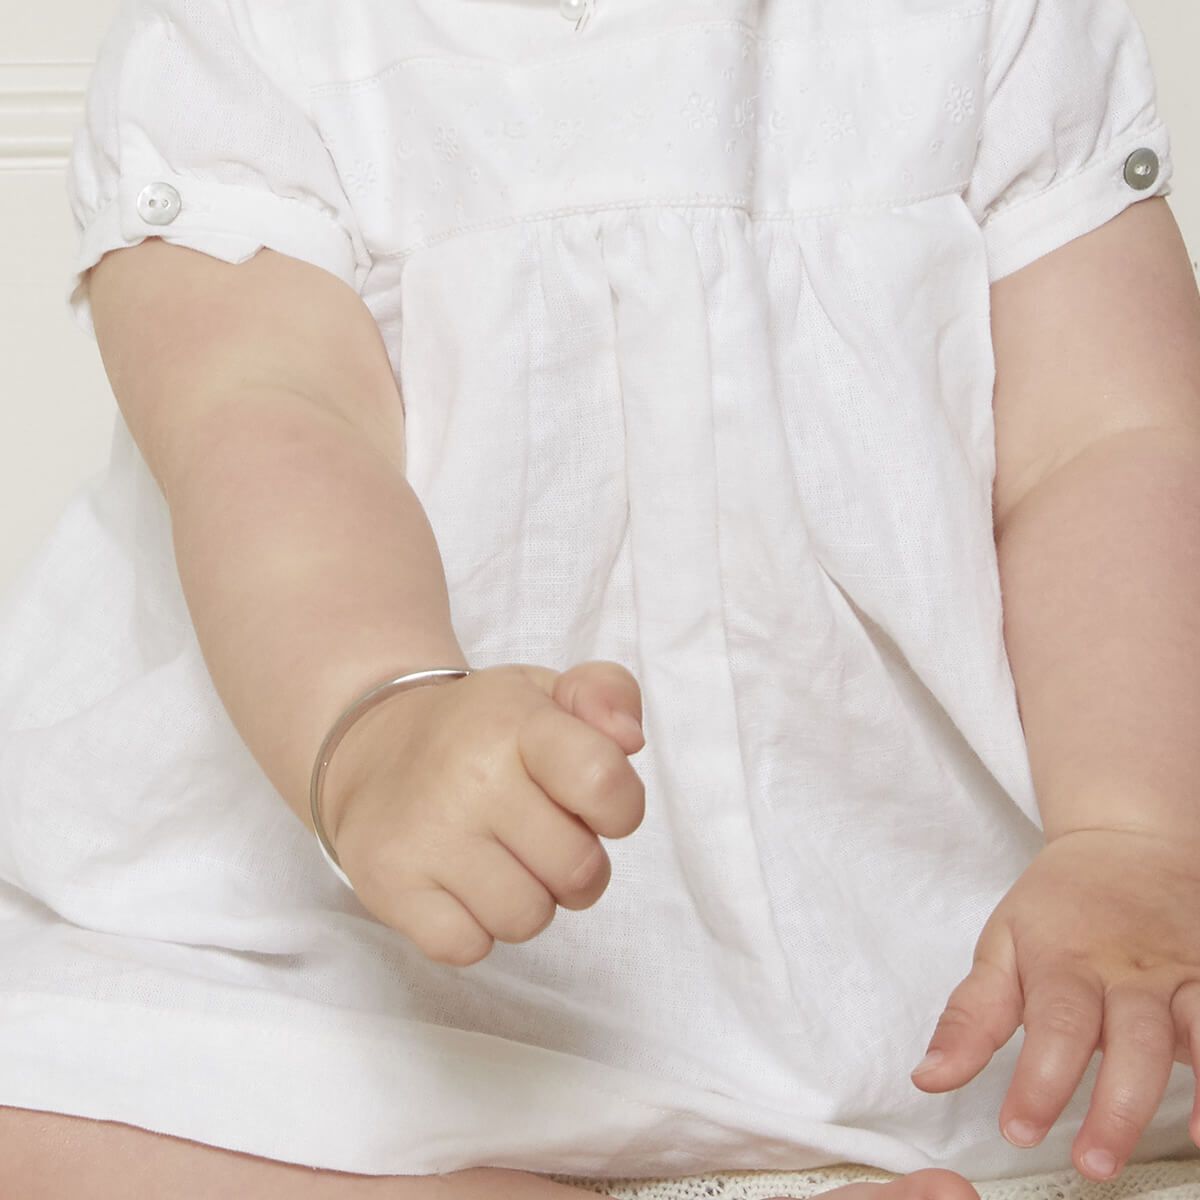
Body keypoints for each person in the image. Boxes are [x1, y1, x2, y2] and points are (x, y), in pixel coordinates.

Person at [1, 0, 1199, 1196]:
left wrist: (1130, 831)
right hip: (365, 943)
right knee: (44, 1108)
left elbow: (1109, 443)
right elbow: (260, 416)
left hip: (916, 946)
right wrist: (374, 722)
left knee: (1121, 1042)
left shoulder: (991, 27)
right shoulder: (260, 40)